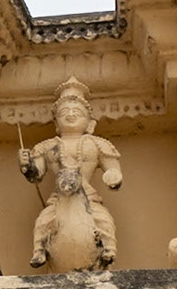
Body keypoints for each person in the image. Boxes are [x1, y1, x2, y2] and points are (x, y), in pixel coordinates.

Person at [20, 78, 122, 268]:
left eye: (77, 112)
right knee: (44, 221)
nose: (71, 114)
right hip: (58, 198)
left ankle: (109, 247)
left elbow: (112, 167)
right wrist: (27, 166)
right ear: (56, 122)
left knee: (103, 219)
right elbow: (37, 174)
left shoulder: (96, 144)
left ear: (90, 123)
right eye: (64, 112)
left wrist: (113, 177)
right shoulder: (48, 147)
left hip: (88, 196)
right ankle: (39, 250)